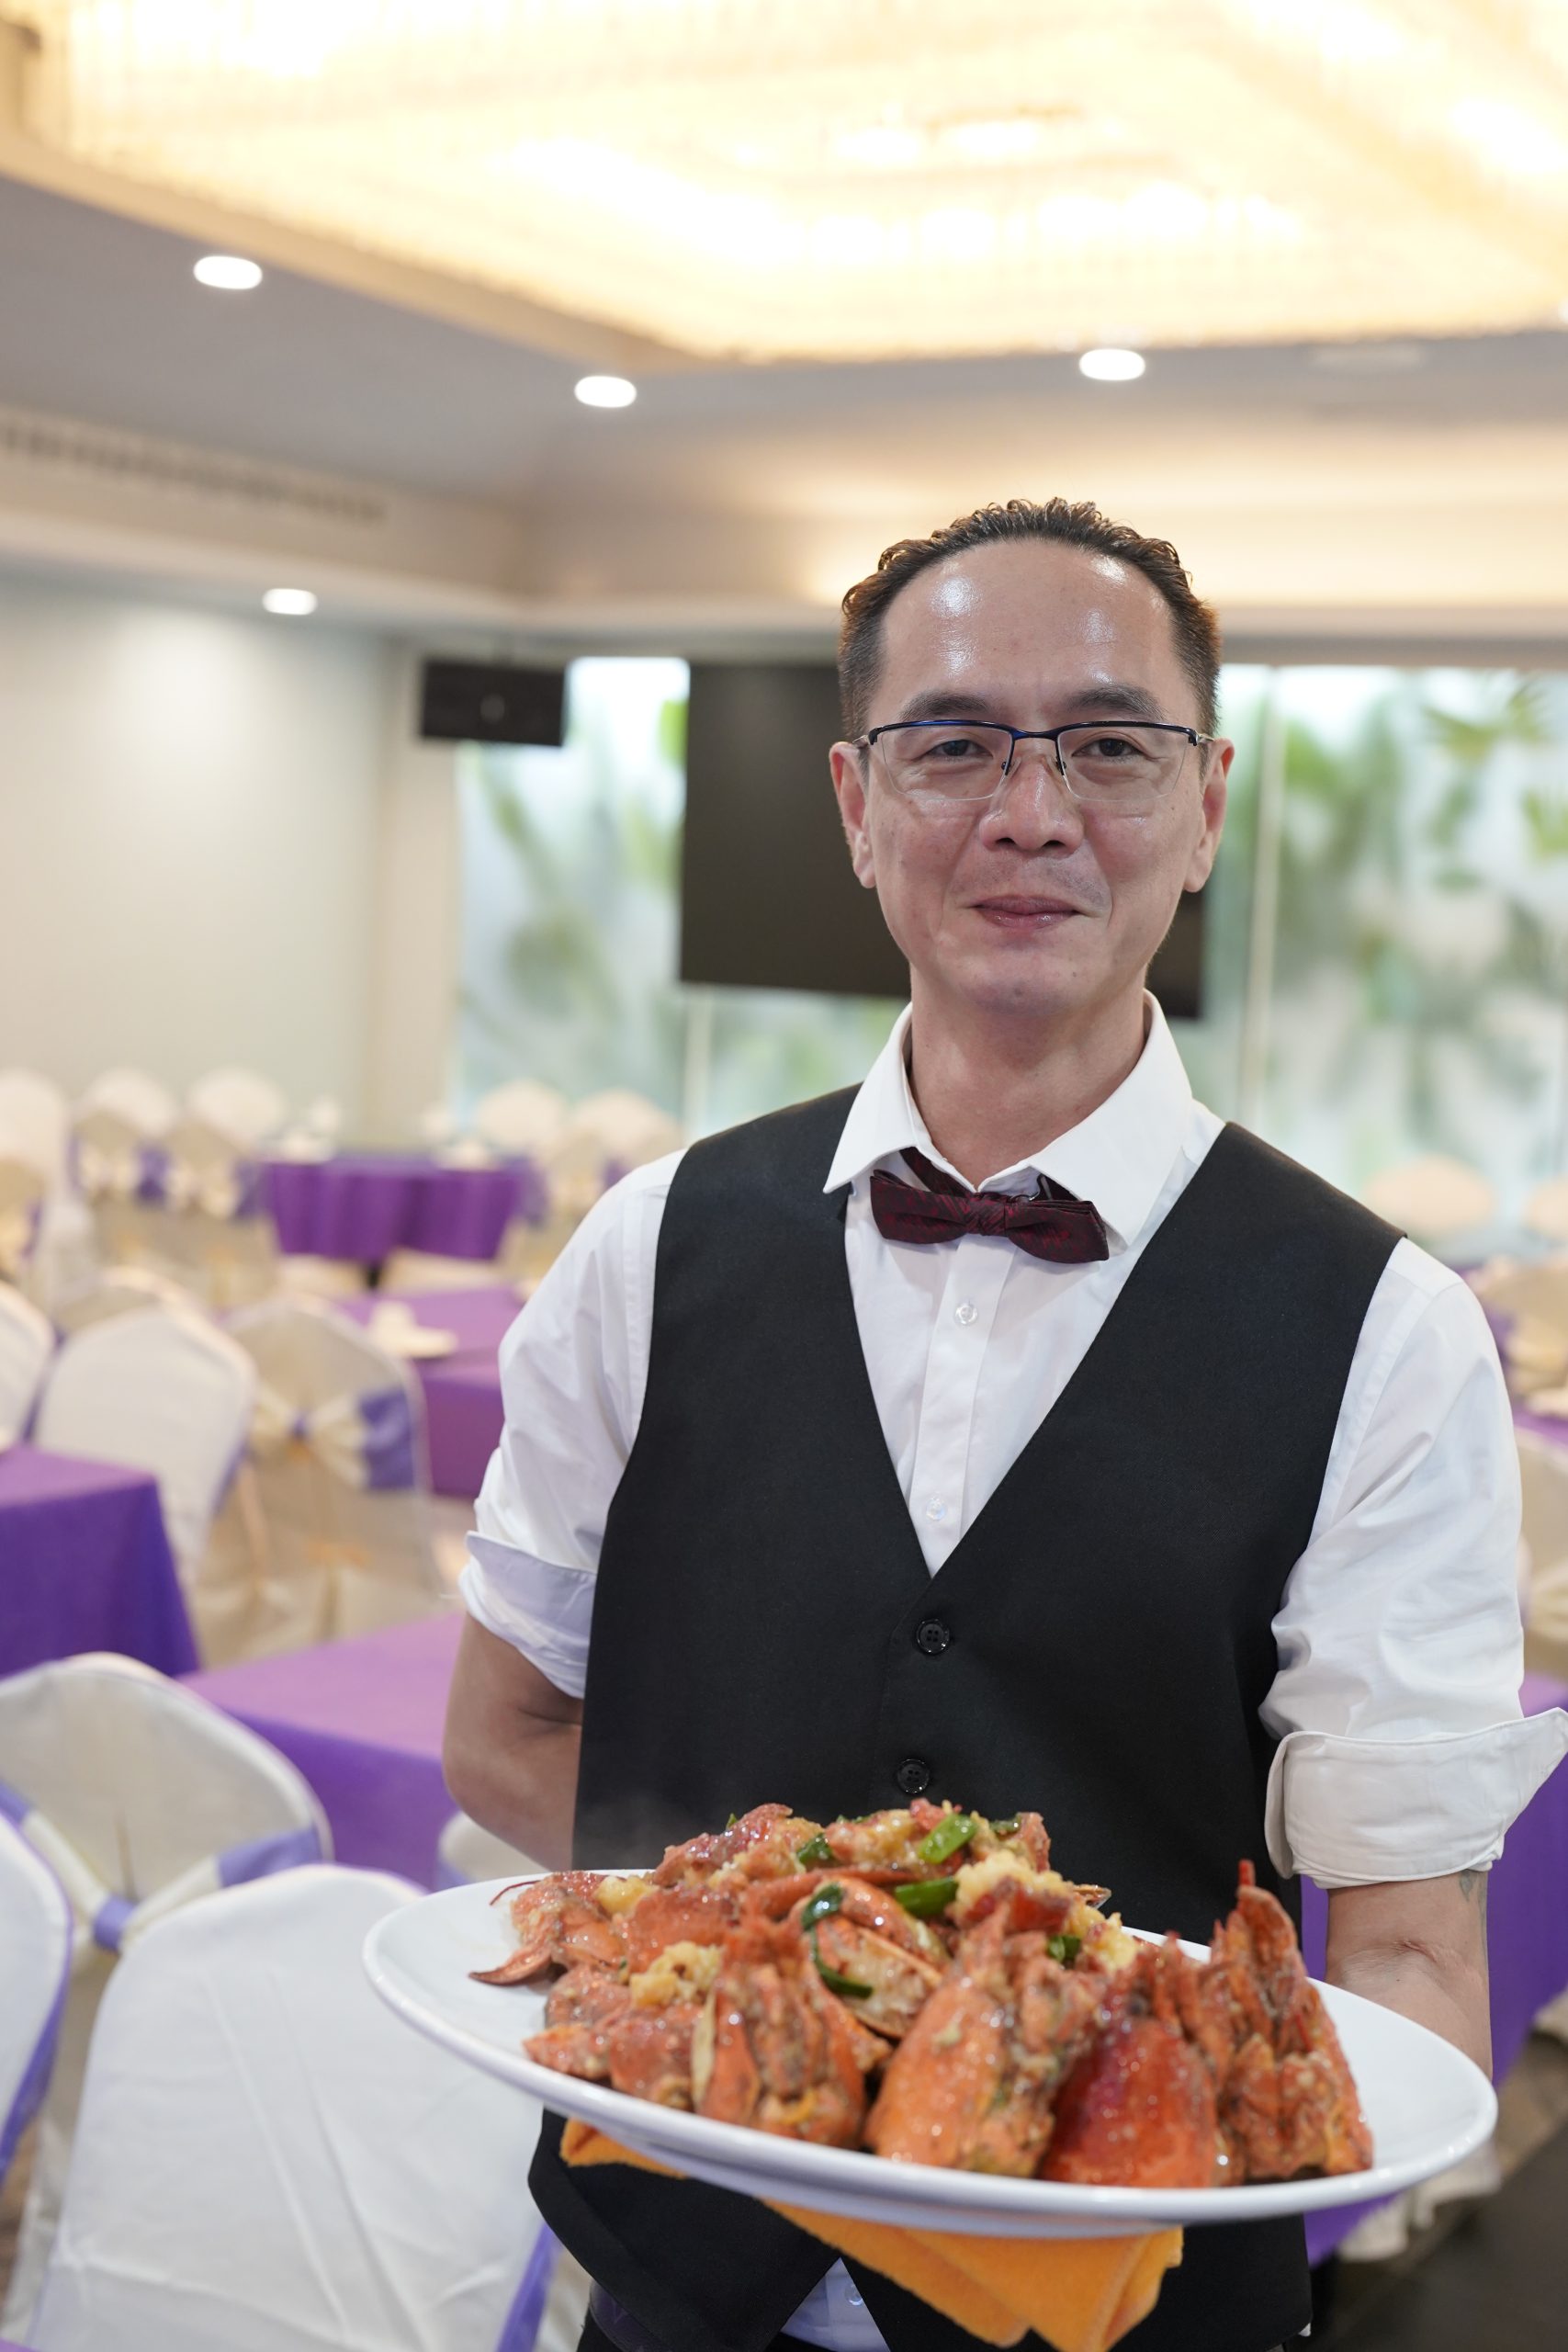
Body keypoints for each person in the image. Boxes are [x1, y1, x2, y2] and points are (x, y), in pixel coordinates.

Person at [445, 497, 1567, 2352]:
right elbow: (501, 1730)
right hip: (672, 2276)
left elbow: (1401, 1957)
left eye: (1108, 746)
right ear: (853, 803)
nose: (1030, 810)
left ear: (1203, 805)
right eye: (953, 743)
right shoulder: (646, 1243)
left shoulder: (1388, 1333)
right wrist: (787, 1986)